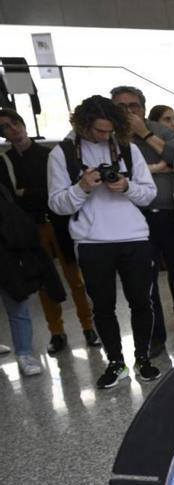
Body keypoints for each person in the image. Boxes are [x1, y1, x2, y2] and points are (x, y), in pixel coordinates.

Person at [48, 95, 162, 388]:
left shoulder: (128, 148)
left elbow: (149, 195)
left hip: (134, 236)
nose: (104, 136)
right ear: (83, 124)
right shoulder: (62, 154)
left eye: (109, 130)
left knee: (142, 301)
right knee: (103, 306)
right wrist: (82, 187)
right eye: (99, 130)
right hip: (91, 241)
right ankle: (115, 362)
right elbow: (58, 205)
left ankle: (143, 359)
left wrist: (126, 186)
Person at [111, 85, 174, 352]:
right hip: (132, 218)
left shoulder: (160, 129)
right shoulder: (111, 136)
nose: (128, 112)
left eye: (133, 106)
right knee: (143, 281)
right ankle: (155, 338)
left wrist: (144, 133)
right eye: (121, 107)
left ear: (142, 107)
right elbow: (118, 175)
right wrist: (157, 168)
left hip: (170, 213)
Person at [0, 108, 100, 354]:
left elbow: (60, 190)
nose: (14, 129)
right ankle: (56, 332)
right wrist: (34, 193)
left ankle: (88, 327)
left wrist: (29, 192)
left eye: (16, 123)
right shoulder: (6, 161)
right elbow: (12, 197)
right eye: (6, 127)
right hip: (30, 229)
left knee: (75, 278)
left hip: (59, 223)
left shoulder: (49, 154)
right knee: (43, 281)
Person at [1, 182, 65, 376]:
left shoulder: (2, 191)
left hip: (6, 258)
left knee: (18, 307)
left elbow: (15, 223)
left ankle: (25, 354)